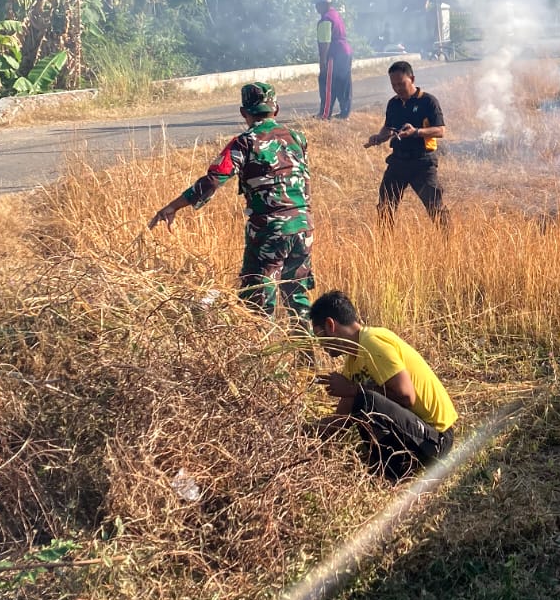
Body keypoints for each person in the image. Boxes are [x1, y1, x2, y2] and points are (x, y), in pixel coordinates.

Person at [148, 82, 313, 319]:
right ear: (276, 109)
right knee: (297, 298)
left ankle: (259, 353)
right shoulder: (297, 137)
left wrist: (173, 206)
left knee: (258, 302)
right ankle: (307, 356)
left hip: (270, 229)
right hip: (304, 226)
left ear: (243, 112)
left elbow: (213, 181)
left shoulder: (244, 143)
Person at [309, 290, 457, 481]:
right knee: (362, 399)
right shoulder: (353, 362)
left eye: (319, 336)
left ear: (330, 325)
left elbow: (406, 396)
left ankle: (392, 471)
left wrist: (351, 390)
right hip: (417, 435)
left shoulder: (373, 342)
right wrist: (305, 433)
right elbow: (341, 421)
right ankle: (391, 464)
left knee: (366, 399)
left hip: (436, 439)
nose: (321, 345)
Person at [366, 60, 449, 226]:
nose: (398, 88)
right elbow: (388, 128)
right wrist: (379, 137)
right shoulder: (393, 103)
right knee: (385, 207)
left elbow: (440, 130)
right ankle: (385, 247)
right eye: (393, 84)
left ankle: (449, 244)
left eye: (401, 83)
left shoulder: (428, 101)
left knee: (435, 207)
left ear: (412, 78)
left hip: (422, 163)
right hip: (398, 162)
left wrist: (416, 132)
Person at [315, 0, 353, 120]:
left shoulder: (326, 19)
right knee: (344, 83)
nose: (316, 7)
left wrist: (323, 61)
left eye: (317, 4)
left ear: (324, 4)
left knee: (327, 83)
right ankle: (345, 113)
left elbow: (325, 42)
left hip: (335, 54)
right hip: (346, 52)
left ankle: (324, 114)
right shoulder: (335, 15)